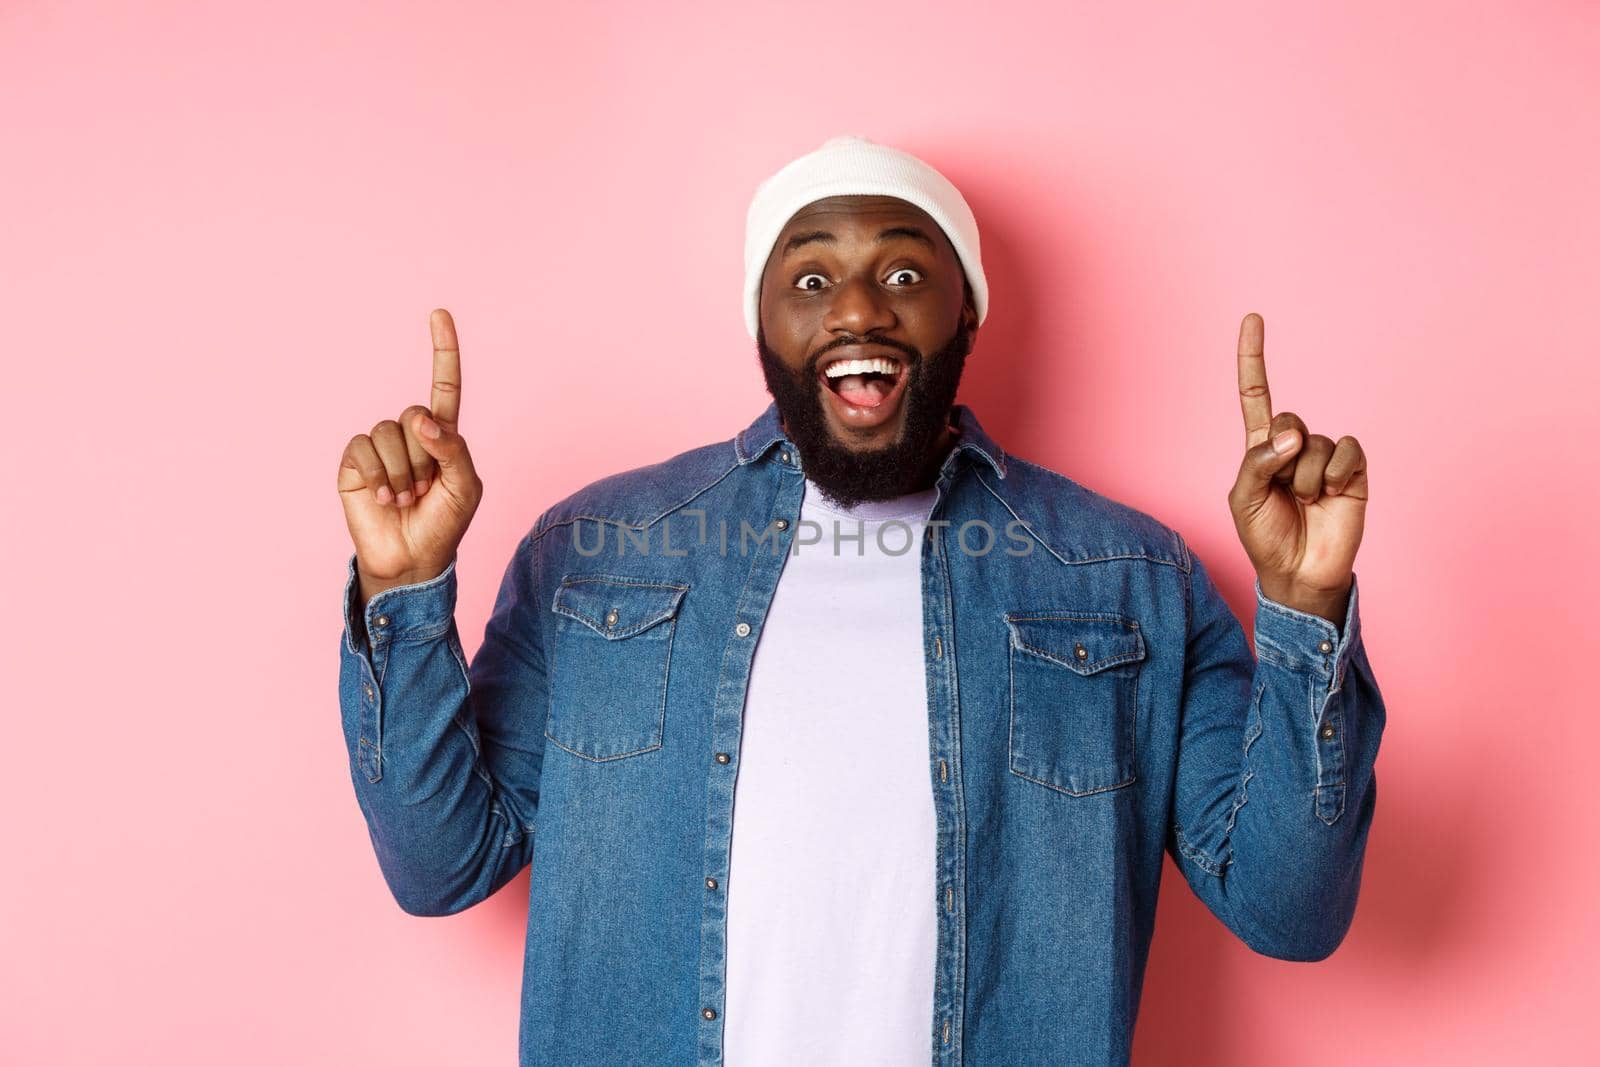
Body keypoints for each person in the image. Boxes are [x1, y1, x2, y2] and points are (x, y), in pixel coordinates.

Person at [334, 134, 1385, 1066]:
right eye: (808, 278)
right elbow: (442, 866)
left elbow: (1287, 907)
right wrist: (402, 585)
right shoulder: (598, 551)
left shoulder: (1129, 575)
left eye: (902, 269)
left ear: (965, 305)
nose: (855, 307)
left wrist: (1305, 602)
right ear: (757, 319)